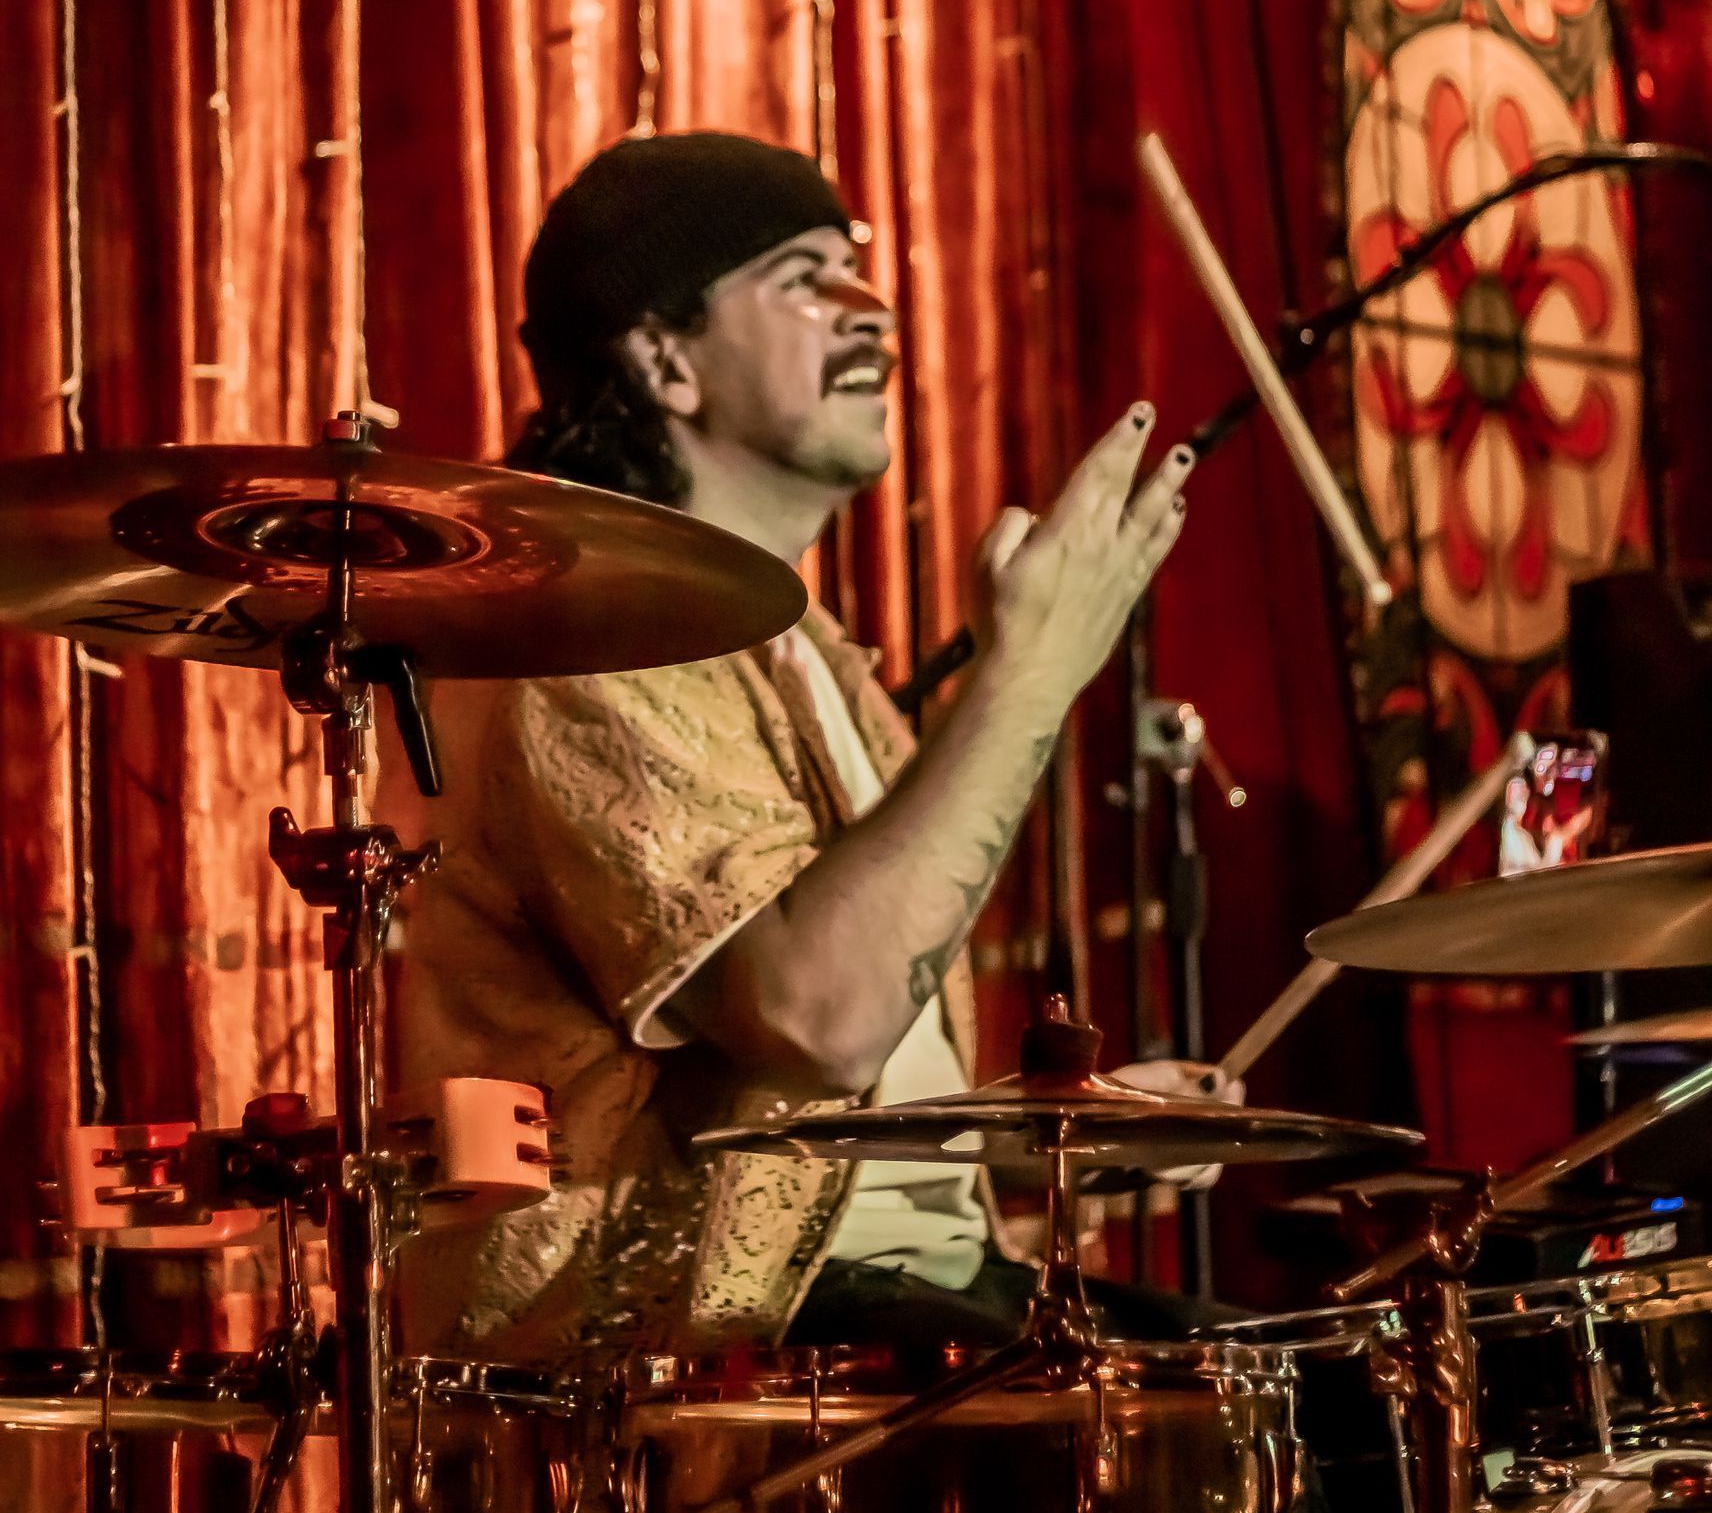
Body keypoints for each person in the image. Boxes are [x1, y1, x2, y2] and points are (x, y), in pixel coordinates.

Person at [390, 131, 1206, 1364]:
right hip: (694, 1341)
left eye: (856, 268)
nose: (871, 310)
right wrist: (1032, 673)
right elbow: (815, 1018)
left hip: (914, 1289)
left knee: (1320, 1382)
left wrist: (1053, 1131)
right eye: (803, 278)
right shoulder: (588, 639)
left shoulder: (813, 653)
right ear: (665, 358)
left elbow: (838, 1094)